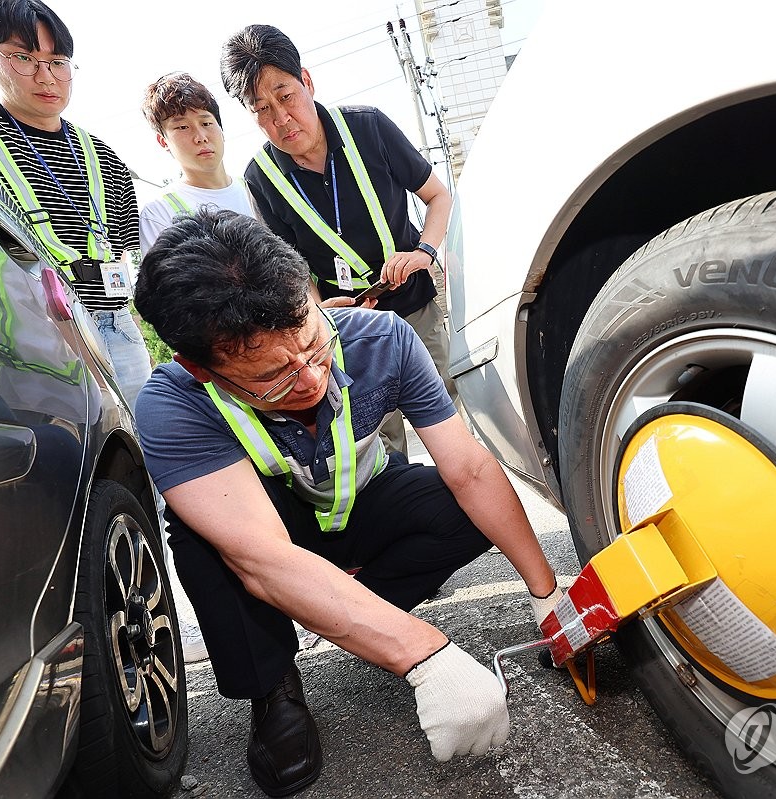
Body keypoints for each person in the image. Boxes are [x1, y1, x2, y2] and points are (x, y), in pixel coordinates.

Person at [133, 208, 563, 796]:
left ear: (310, 296)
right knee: (205, 542)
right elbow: (262, 558)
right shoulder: (174, 406)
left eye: (312, 345)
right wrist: (425, 655)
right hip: (273, 529)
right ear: (200, 368)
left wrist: (547, 593)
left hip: (356, 503)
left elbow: (468, 468)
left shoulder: (380, 339)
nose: (309, 380)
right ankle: (274, 686)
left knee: (458, 507)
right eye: (273, 378)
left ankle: (355, 611)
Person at [221, 24, 455, 459]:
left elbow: (438, 195)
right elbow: (291, 266)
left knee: (446, 420)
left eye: (286, 96)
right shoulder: (262, 178)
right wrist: (314, 307)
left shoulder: (368, 128)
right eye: (262, 109)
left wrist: (423, 252)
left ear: (306, 81)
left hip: (416, 307)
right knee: (381, 445)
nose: (281, 118)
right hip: (348, 330)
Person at [0, 0, 151, 407]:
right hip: (29, 338)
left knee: (148, 451)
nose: (46, 77)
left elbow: (123, 255)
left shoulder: (104, 157)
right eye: (23, 58)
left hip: (118, 329)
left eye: (57, 62)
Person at [139, 71, 256, 252]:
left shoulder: (256, 191)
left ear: (221, 128)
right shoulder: (159, 213)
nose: (200, 137)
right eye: (183, 127)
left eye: (206, 123)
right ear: (163, 141)